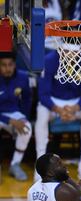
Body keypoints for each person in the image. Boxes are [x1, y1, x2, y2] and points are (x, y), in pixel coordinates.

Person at [35, 50, 81, 181]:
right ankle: (40, 162)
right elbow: (43, 94)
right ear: (60, 49)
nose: (71, 54)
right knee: (41, 111)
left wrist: (74, 109)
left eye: (74, 52)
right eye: (67, 51)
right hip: (54, 101)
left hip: (75, 102)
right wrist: (59, 110)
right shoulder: (49, 60)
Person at [0, 51, 32, 181]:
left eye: (10, 64)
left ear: (15, 65)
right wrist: (10, 121)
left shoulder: (23, 77)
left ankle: (15, 164)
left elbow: (26, 100)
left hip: (13, 112)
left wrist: (23, 118)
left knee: (26, 128)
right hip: (3, 115)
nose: (8, 68)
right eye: (3, 65)